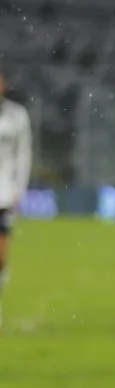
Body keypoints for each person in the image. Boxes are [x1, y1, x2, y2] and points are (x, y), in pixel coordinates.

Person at [0, 71, 32, 329]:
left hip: (4, 192)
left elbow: (24, 153)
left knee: (1, 256)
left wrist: (19, 188)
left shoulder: (17, 115)